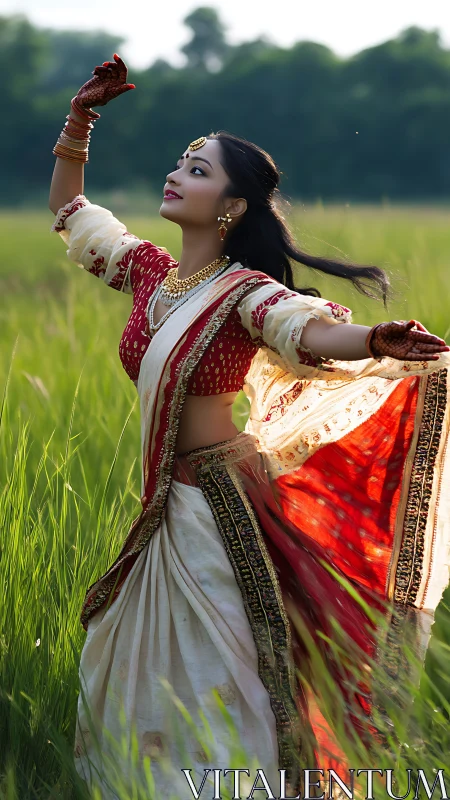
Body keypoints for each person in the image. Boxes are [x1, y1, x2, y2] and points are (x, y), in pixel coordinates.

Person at [49, 54, 450, 799]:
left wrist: (370, 340)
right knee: (129, 658)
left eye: (197, 169)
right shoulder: (149, 275)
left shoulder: (246, 294)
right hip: (163, 511)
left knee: (220, 674)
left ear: (231, 205)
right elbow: (73, 214)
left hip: (221, 510)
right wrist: (81, 119)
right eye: (181, 162)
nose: (177, 174)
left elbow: (304, 329)